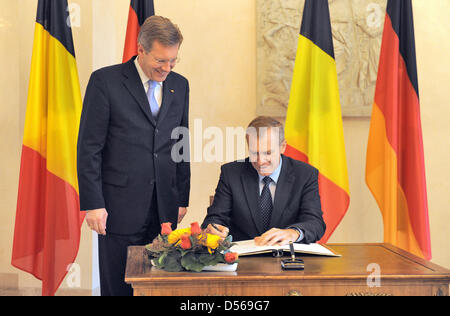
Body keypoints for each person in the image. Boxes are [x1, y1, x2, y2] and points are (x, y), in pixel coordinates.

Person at [77, 16, 190, 296]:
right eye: (160, 61)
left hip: (164, 206)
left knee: (160, 284)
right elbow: (89, 147)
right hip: (118, 206)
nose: (167, 68)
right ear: (141, 50)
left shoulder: (180, 84)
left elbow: (181, 141)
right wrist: (93, 204)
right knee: (119, 285)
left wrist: (182, 196)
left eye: (173, 60)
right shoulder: (106, 81)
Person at [202, 116, 325, 245]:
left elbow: (315, 223)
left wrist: (293, 232)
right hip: (243, 259)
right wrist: (213, 229)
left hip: (287, 257)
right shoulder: (231, 173)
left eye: (267, 153)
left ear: (283, 146)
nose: (260, 161)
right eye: (254, 153)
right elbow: (215, 218)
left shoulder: (305, 174)